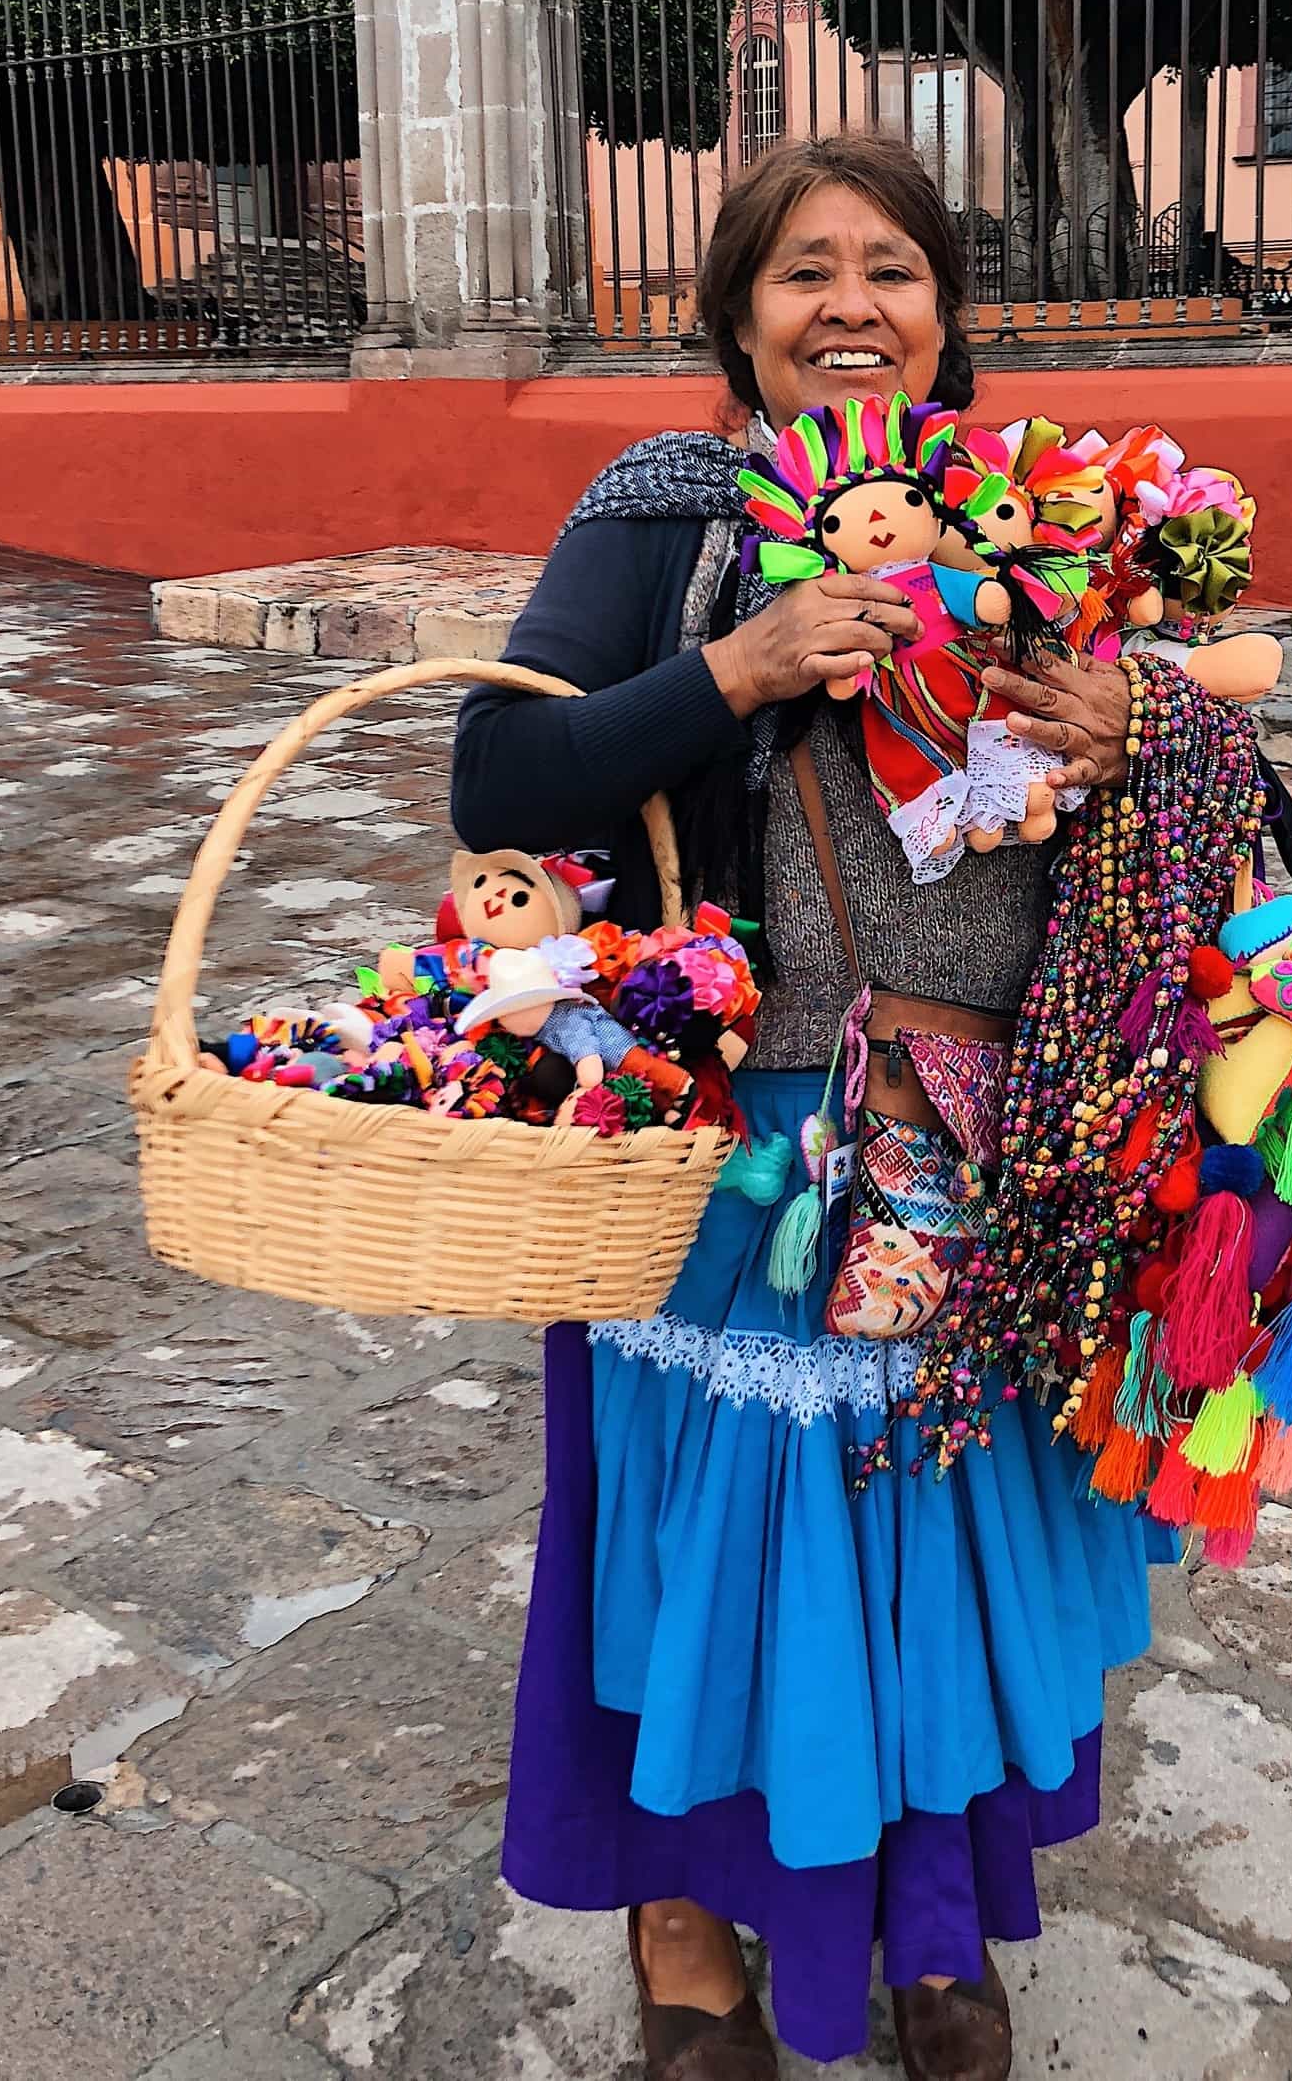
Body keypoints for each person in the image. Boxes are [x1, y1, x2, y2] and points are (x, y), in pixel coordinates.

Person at [451, 134, 1173, 2081]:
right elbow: (493, 769)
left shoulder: (1043, 538)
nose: (851, 304)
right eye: (803, 272)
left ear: (947, 317)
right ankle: (686, 1929)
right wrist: (737, 662)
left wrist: (1151, 723)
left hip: (979, 1145)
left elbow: (1231, 832)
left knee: (927, 1539)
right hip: (738, 1165)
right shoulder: (666, 510)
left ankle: (932, 1923)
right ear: (735, 317)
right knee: (720, 1548)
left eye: (894, 271)